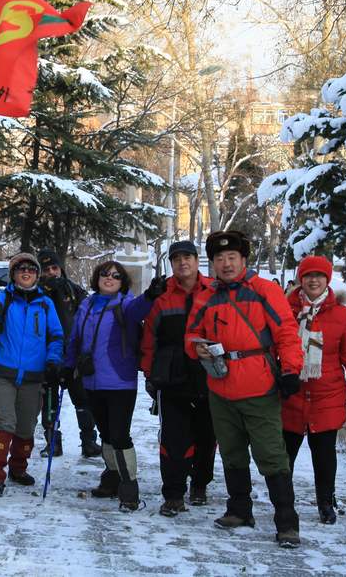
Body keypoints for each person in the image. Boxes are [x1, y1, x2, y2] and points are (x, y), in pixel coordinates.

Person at [185, 230, 304, 548]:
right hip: (220, 387)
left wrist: (291, 370)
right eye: (219, 258)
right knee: (232, 451)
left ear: (244, 259)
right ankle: (239, 509)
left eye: (231, 257)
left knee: (271, 454)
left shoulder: (265, 290)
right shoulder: (205, 296)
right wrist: (197, 348)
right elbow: (192, 334)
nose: (225, 263)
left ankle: (287, 522)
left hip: (259, 387)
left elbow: (287, 332)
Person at [65, 260, 162, 511]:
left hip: (119, 381)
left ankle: (129, 488)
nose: (109, 278)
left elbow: (139, 309)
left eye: (116, 276)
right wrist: (67, 366)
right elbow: (74, 338)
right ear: (97, 278)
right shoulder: (86, 305)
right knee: (106, 433)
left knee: (119, 435)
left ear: (122, 282)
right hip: (91, 380)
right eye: (105, 274)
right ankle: (111, 476)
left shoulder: (126, 304)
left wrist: (151, 295)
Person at [282, 256, 346, 524]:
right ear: (300, 278)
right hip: (290, 393)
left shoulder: (342, 315)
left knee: (324, 453)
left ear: (327, 279)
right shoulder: (285, 310)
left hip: (326, 394)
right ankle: (284, 502)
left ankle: (325, 502)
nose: (314, 280)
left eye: (320, 275)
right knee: (285, 454)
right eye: (309, 275)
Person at [0, 252, 64, 498]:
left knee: (26, 426)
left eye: (31, 269)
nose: (26, 272)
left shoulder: (45, 303)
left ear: (36, 274)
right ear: (13, 274)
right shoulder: (6, 297)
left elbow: (56, 335)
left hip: (34, 374)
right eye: (21, 269)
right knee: (4, 422)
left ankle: (18, 469)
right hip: (4, 372)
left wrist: (54, 360)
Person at [140, 241, 217, 517]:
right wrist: (149, 374)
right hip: (171, 378)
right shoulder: (162, 297)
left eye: (187, 257)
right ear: (170, 264)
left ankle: (199, 483)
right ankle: (173, 493)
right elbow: (149, 339)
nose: (182, 263)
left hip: (209, 378)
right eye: (176, 259)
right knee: (173, 440)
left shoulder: (214, 292)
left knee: (207, 437)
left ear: (197, 261)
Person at [36, 249, 99, 458]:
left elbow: (90, 315)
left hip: (74, 355)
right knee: (50, 401)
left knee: (83, 399)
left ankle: (89, 441)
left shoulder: (74, 289)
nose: (52, 273)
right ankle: (53, 441)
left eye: (55, 268)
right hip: (47, 356)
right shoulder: (37, 293)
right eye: (46, 269)